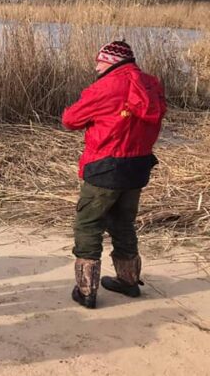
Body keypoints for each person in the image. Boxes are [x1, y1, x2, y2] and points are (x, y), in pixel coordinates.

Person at [62, 41, 166, 309]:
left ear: (112, 62)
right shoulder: (152, 84)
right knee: (123, 223)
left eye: (100, 61)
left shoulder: (105, 87)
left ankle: (86, 291)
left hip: (105, 166)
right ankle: (129, 281)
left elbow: (70, 120)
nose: (96, 66)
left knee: (88, 224)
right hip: (137, 166)